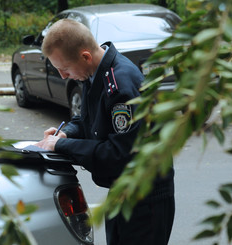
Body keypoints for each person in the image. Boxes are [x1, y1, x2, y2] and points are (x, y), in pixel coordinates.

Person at [35, 18, 175, 245]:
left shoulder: (120, 84)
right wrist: (65, 134)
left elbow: (118, 152)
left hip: (145, 199)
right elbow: (86, 119)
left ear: (85, 56)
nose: (63, 76)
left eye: (65, 69)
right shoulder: (93, 73)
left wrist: (61, 146)